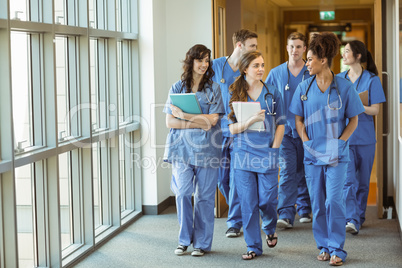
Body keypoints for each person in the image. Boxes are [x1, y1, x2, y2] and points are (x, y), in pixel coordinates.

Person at [289, 32, 365, 266]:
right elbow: (298, 119)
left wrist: (341, 142)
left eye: (310, 59)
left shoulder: (344, 87)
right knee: (318, 203)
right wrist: (305, 141)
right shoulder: (304, 86)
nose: (306, 62)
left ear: (323, 60)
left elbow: (354, 120)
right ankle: (323, 245)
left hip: (336, 155)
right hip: (312, 155)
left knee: (334, 201)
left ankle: (337, 249)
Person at [163, 44, 224, 256]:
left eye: (207, 60)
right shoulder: (177, 88)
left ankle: (201, 243)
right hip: (181, 150)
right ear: (191, 62)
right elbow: (170, 122)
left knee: (205, 198)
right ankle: (183, 240)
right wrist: (199, 122)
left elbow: (213, 121)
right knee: (182, 193)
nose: (204, 65)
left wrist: (185, 116)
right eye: (200, 60)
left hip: (207, 150)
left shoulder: (214, 89)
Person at [228, 51, 285, 260]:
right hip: (243, 153)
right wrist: (249, 121)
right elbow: (231, 129)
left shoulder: (273, 93)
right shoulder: (234, 92)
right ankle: (253, 246)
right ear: (245, 69)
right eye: (255, 65)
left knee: (268, 199)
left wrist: (274, 149)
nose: (261, 69)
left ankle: (270, 226)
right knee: (248, 202)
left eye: (262, 64)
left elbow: (281, 124)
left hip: (267, 152)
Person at [212, 29, 258, 237]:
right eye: (252, 46)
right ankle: (243, 211)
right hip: (217, 131)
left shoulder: (248, 68)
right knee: (222, 179)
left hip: (240, 131)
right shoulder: (215, 66)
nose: (256, 50)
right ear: (239, 45)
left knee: (237, 175)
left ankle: (235, 221)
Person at [338, 40, 386, 234]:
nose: (343, 55)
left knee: (363, 182)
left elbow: (375, 110)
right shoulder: (339, 79)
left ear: (358, 56)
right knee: (348, 180)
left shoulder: (372, 80)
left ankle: (359, 216)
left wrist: (357, 106)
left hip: (366, 139)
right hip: (346, 138)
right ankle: (351, 219)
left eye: (347, 51)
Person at [265, 32, 312, 229]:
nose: (295, 50)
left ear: (304, 49)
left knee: (305, 170)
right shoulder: (276, 73)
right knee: (287, 171)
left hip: (307, 131)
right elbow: (266, 97)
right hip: (284, 132)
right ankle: (285, 212)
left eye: (299, 47)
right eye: (292, 46)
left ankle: (304, 208)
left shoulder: (311, 72)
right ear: (287, 48)